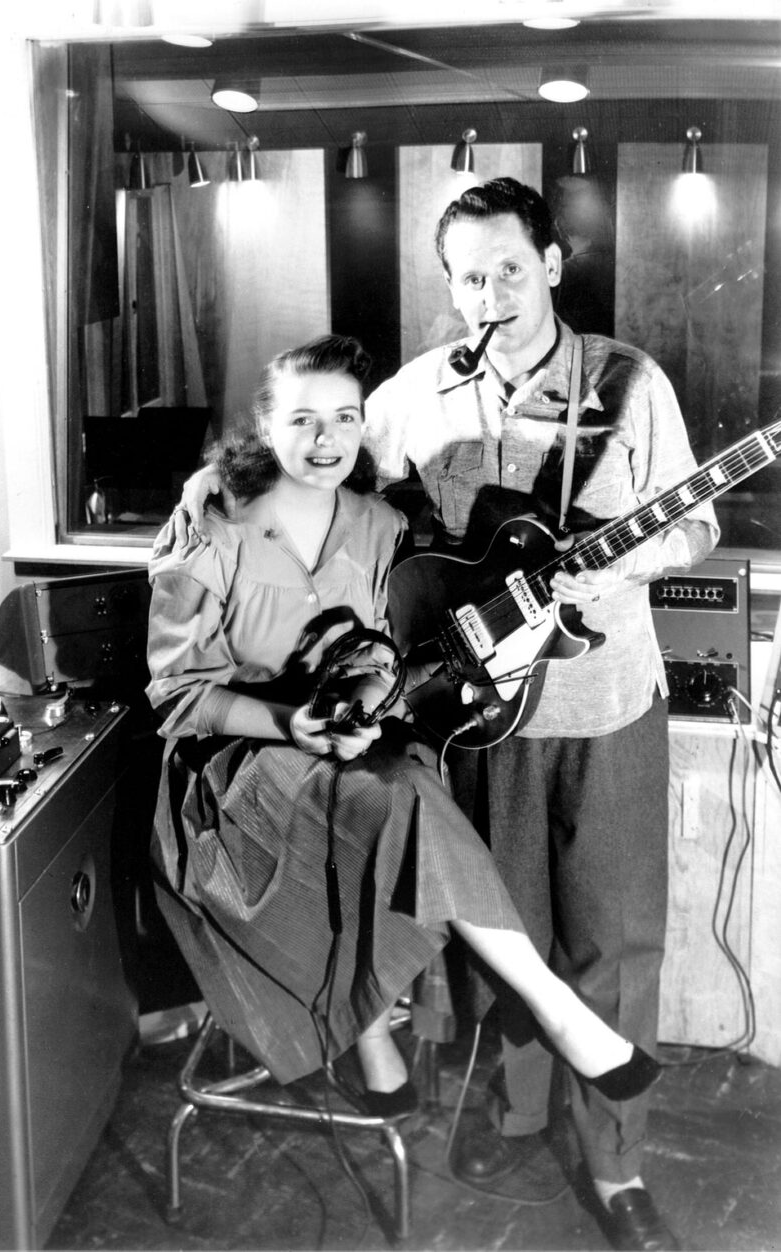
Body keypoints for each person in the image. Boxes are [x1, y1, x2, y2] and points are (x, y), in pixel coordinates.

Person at [174, 184, 718, 1252]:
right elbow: (331, 498)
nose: (491, 293)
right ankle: (516, 1116)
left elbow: (695, 524)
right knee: (506, 933)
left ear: (550, 265)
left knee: (614, 939)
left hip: (605, 704)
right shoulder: (410, 396)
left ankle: (616, 1166)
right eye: (469, 276)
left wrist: (626, 563)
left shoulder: (628, 381)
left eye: (510, 268)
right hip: (479, 717)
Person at [146, 333, 661, 1133]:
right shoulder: (213, 521)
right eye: (302, 420)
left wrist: (364, 695)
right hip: (235, 771)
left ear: (365, 427)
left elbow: (381, 650)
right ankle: (551, 1007)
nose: (325, 441)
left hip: (347, 753)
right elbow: (177, 696)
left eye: (345, 418)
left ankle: (371, 1031)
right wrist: (292, 724)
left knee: (404, 775)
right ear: (265, 426)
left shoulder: (381, 525)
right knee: (404, 790)